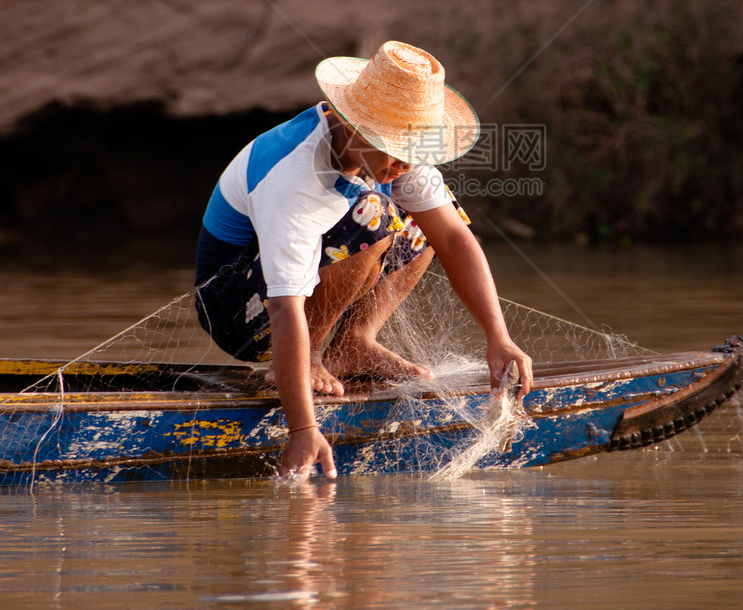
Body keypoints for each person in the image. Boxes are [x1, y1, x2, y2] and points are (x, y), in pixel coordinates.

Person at [195, 40, 533, 480]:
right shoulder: (294, 175)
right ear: (349, 126)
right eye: (391, 148)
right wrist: (303, 428)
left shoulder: (399, 163)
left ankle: (354, 343)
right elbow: (283, 305)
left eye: (412, 150)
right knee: (373, 216)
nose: (402, 164)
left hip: (291, 294)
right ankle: (310, 357)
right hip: (237, 311)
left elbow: (452, 238)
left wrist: (498, 336)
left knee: (426, 220)